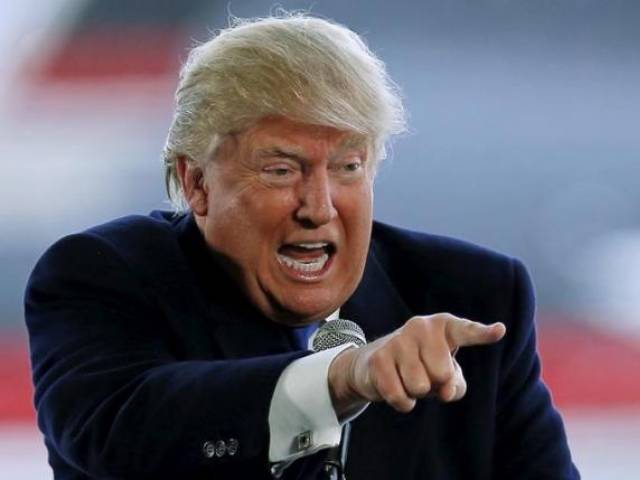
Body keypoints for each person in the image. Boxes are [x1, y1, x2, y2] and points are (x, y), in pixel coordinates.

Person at [24, 13, 579, 480]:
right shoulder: (103, 275)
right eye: (281, 169)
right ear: (196, 182)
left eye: (348, 167)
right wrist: (341, 378)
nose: (319, 206)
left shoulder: (472, 296)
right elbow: (120, 430)